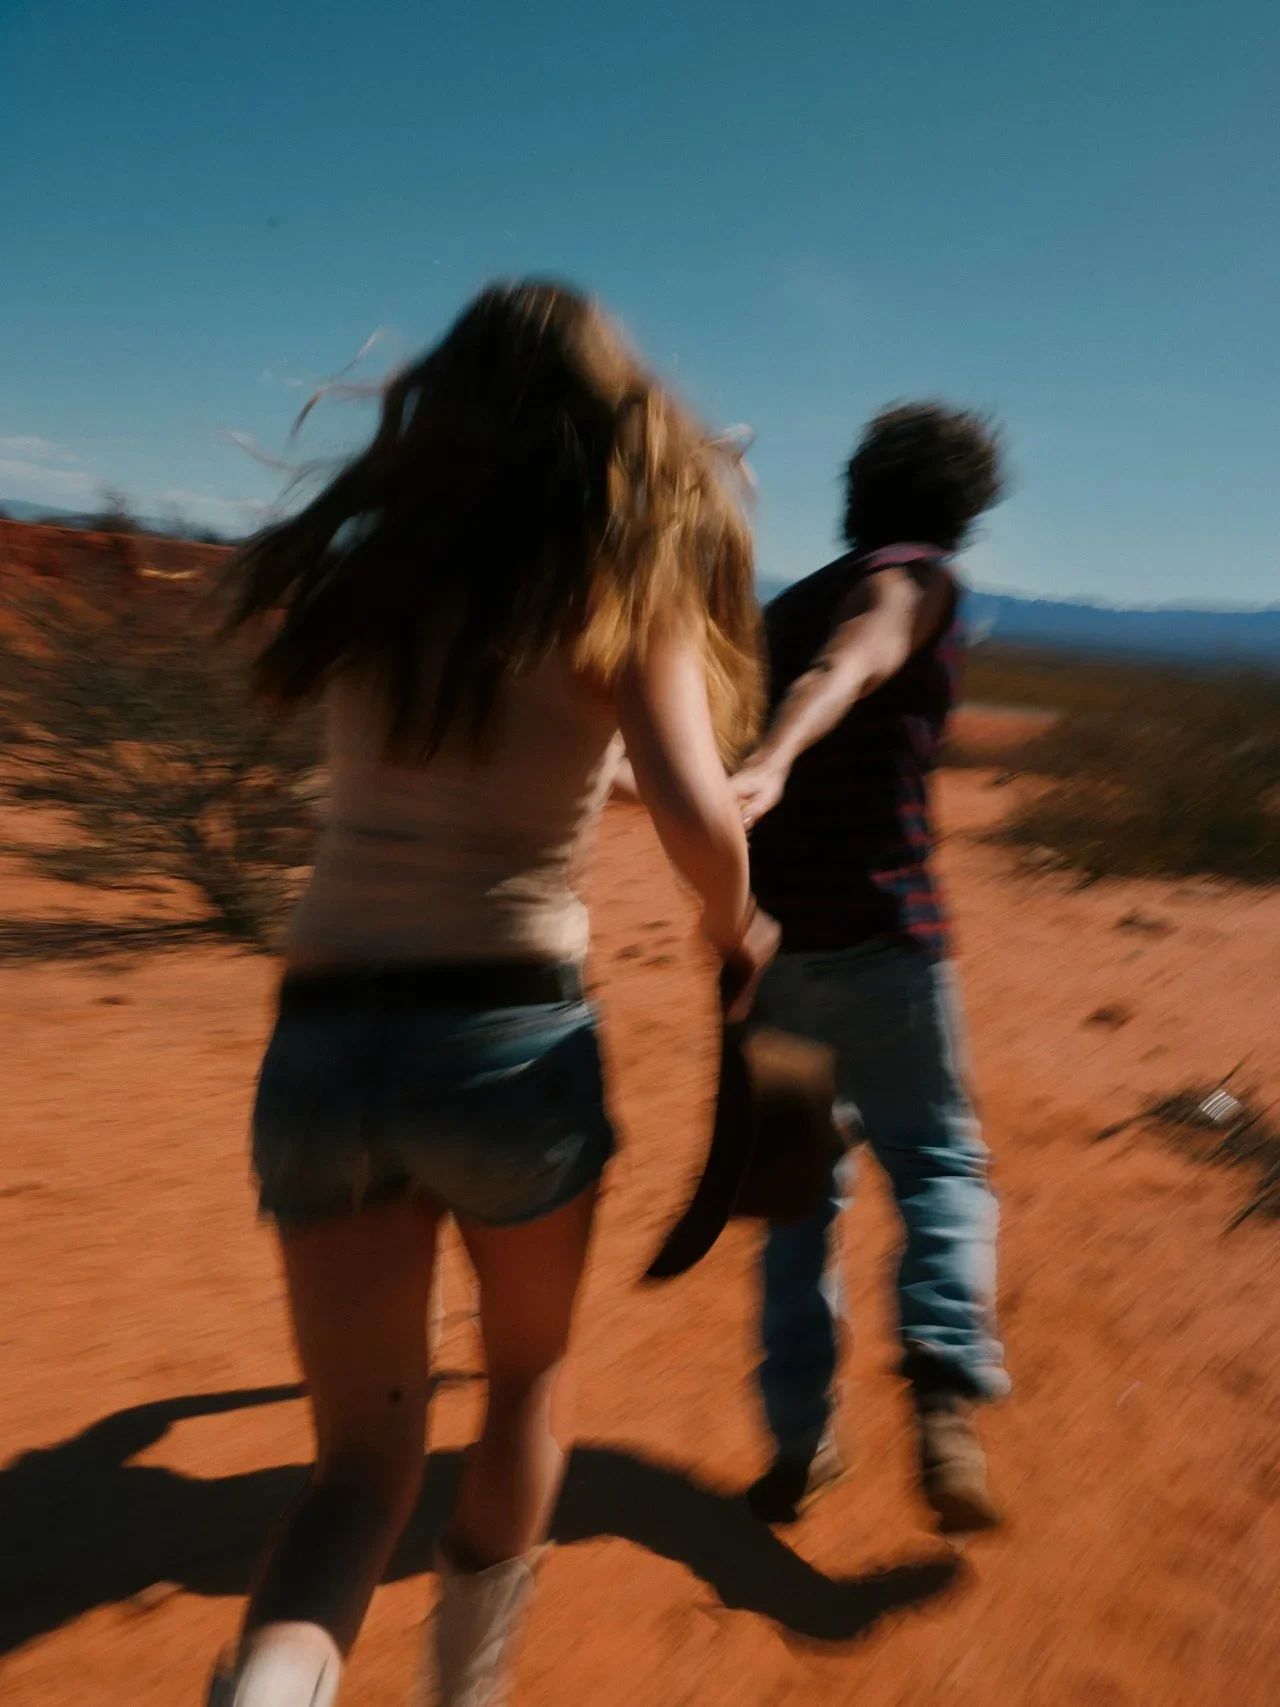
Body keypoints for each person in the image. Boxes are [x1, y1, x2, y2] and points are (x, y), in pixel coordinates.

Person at [207, 280, 778, 1707]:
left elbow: (486, 753)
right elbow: (701, 819)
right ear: (608, 419)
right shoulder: (615, 578)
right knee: (527, 1380)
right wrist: (736, 928)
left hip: (324, 1041)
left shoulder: (378, 572)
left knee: (356, 1472)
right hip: (505, 1043)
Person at [730, 402, 1010, 1533]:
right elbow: (858, 658)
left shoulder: (788, 604)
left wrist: (756, 765)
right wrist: (778, 754)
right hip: (889, 945)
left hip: (776, 956)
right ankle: (942, 1390)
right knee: (938, 1162)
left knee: (794, 1205)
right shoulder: (914, 581)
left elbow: (811, 666)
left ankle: (798, 1443)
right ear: (962, 503)